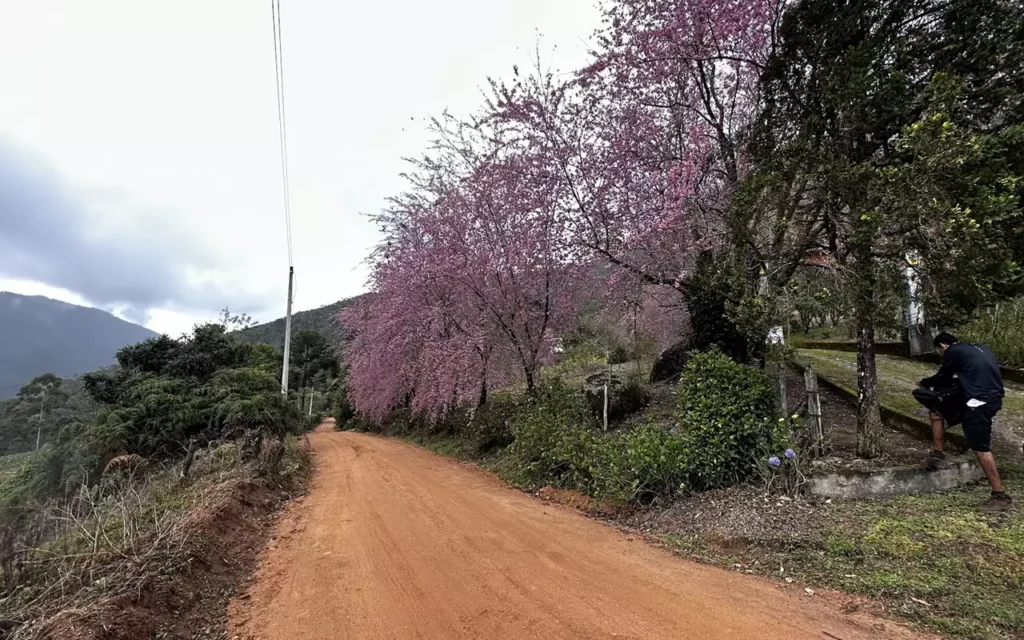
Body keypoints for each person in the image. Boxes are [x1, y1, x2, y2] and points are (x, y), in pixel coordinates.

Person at [920, 332, 1012, 513]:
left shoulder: (952, 352)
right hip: (992, 397)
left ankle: (1000, 496)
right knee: (935, 411)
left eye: (940, 351)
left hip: (979, 403)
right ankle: (937, 454)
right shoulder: (980, 348)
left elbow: (942, 378)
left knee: (981, 448)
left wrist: (923, 382)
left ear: (943, 346)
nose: (942, 355)